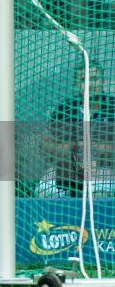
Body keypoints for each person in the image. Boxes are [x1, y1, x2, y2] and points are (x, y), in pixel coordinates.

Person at [38, 61, 114, 198]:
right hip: (67, 167)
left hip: (104, 168)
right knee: (44, 190)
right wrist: (71, 148)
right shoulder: (65, 108)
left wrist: (95, 148)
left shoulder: (113, 107)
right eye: (83, 80)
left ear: (103, 81)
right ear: (76, 84)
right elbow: (44, 143)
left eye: (94, 79)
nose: (89, 84)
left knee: (99, 193)